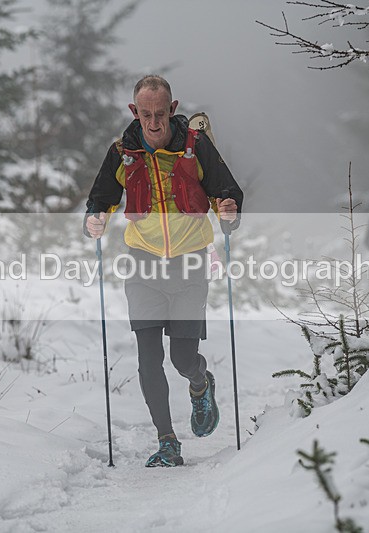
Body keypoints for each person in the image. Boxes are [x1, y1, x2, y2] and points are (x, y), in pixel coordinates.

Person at [83, 75, 243, 467]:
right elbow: (100, 199)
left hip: (189, 264)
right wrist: (94, 221)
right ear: (134, 112)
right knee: (148, 358)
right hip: (143, 264)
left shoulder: (195, 146)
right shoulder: (123, 152)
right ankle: (167, 441)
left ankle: (200, 383)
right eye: (145, 114)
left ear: (172, 110)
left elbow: (228, 192)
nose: (153, 123)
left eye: (160, 114)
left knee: (183, 358)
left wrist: (228, 209)